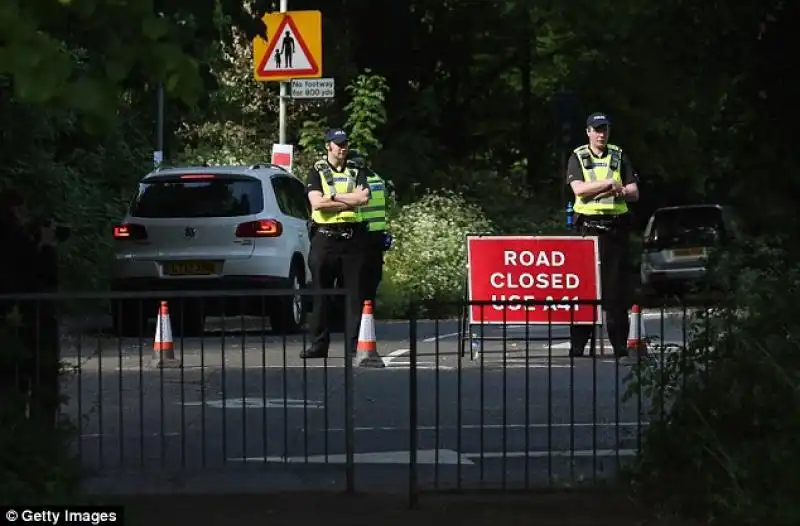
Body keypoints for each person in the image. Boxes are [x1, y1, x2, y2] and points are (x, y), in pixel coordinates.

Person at [566, 112, 640, 358]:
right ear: (588, 131)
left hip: (616, 229)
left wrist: (611, 189)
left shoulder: (618, 155)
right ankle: (578, 345)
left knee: (616, 291)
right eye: (597, 129)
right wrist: (609, 184)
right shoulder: (578, 156)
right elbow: (579, 190)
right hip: (587, 231)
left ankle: (619, 344)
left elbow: (633, 192)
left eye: (605, 129)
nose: (601, 134)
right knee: (585, 290)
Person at [301, 129, 371, 359]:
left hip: (352, 238)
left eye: (345, 144)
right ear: (328, 146)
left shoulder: (356, 169)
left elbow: (363, 198)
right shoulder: (316, 170)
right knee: (321, 294)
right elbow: (316, 204)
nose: (343, 148)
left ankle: (354, 345)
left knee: (354, 295)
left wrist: (332, 198)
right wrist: (347, 201)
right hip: (325, 239)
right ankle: (318, 345)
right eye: (338, 144)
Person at [0, 188, 63, 428]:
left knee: (11, 384)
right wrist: (46, 246)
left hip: (13, 319)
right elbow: (44, 275)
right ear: (15, 210)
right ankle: (40, 437)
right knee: (40, 380)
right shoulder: (17, 240)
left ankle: (13, 437)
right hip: (33, 318)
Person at [348, 150, 392, 303]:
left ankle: (357, 316)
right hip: (377, 235)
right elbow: (386, 201)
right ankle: (368, 313)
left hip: (358, 234)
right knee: (372, 279)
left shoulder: (351, 180)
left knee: (355, 279)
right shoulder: (376, 178)